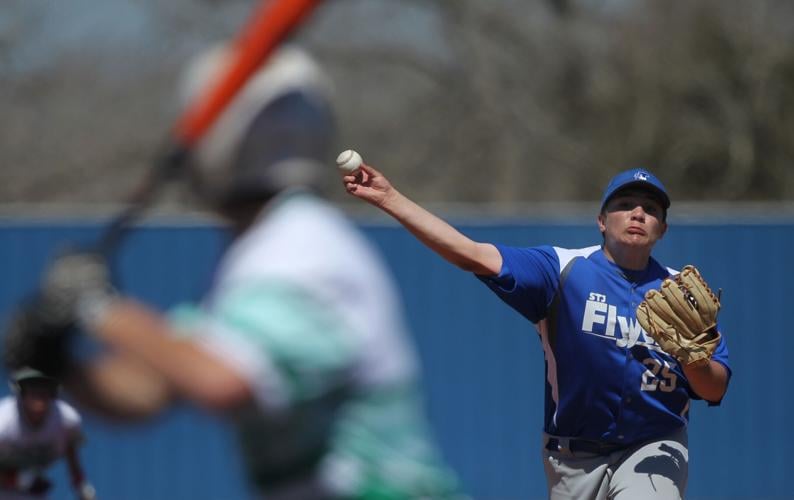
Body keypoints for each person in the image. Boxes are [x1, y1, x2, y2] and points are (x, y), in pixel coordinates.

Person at [33, 44, 466, 500]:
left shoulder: (301, 247)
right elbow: (148, 392)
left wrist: (99, 308)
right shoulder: (264, 251)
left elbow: (222, 383)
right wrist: (60, 366)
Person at [341, 164, 731, 499]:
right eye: (624, 205)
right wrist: (390, 198)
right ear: (601, 220)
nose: (637, 213)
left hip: (655, 445)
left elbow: (714, 387)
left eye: (650, 209)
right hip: (572, 457)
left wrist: (691, 359)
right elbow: (470, 254)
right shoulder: (560, 271)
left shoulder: (682, 293)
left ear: (662, 229)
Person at [0, 368, 96, 500]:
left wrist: (82, 487)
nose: (39, 394)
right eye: (32, 388)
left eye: (45, 388)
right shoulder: (4, 422)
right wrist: (19, 480)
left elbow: (71, 453)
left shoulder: (66, 421)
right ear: (21, 392)